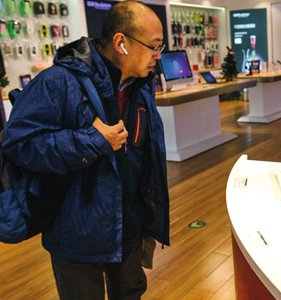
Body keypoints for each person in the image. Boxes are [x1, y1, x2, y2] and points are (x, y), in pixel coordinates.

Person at [2, 1, 169, 299]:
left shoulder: (141, 85)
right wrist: (91, 140)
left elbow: (144, 156)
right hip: (77, 235)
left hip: (129, 226)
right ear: (121, 43)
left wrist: (148, 216)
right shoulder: (57, 82)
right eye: (154, 46)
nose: (159, 55)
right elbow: (19, 144)